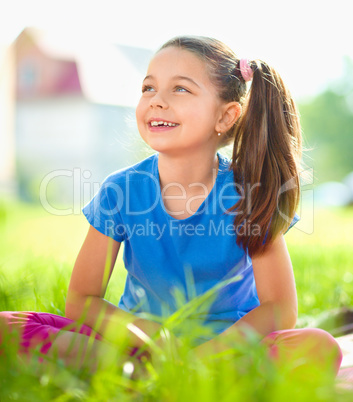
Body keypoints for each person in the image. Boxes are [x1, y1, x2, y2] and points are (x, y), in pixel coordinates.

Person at [0, 36, 342, 375]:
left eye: (180, 89)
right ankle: (143, 374)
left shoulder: (250, 194)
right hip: (138, 343)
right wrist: (158, 339)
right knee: (7, 327)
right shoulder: (121, 190)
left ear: (226, 116)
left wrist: (200, 358)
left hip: (225, 351)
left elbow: (279, 308)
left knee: (317, 346)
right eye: (148, 88)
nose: (156, 101)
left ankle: (146, 379)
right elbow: (81, 300)